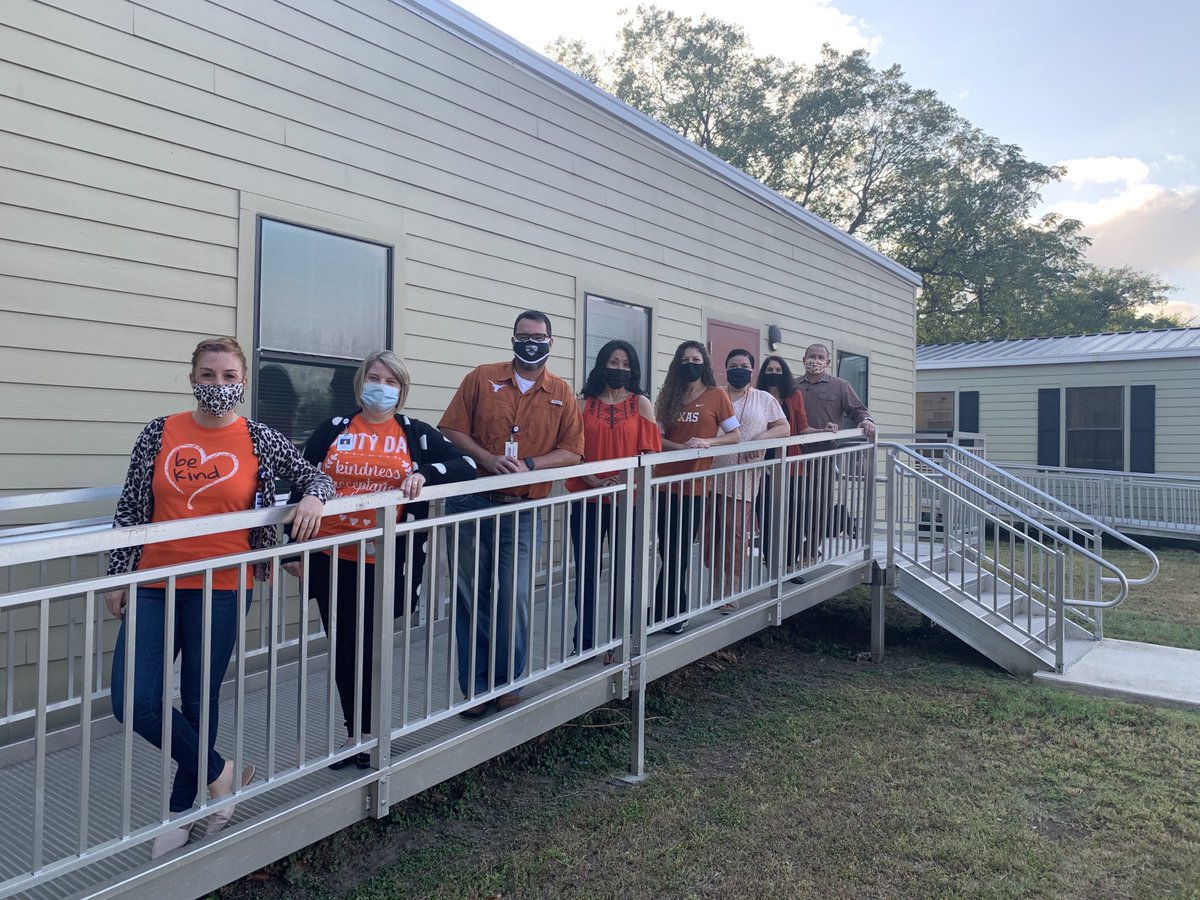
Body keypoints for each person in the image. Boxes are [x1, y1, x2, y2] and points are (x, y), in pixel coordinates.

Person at [103, 337, 334, 858]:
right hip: (153, 583)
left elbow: (315, 476)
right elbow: (131, 508)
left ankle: (185, 811)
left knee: (198, 697)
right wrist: (118, 577)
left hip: (223, 585)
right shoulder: (158, 433)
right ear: (192, 379)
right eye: (208, 375)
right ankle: (221, 772)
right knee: (133, 702)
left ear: (244, 382)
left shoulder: (260, 438)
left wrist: (314, 497)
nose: (218, 386)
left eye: (229, 376)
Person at [284, 351, 475, 769]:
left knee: (367, 645)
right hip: (329, 555)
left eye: (391, 381)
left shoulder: (415, 434)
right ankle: (357, 734)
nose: (381, 386)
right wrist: (291, 547)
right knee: (345, 647)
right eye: (374, 377)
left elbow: (468, 465)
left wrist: (426, 475)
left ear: (401, 390)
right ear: (360, 382)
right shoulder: (335, 428)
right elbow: (300, 479)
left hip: (385, 560)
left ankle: (371, 733)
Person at [439, 311, 584, 717]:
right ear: (513, 339)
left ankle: (508, 683)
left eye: (538, 337)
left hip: (521, 508)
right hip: (471, 504)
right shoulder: (481, 378)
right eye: (523, 336)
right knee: (471, 596)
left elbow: (573, 449)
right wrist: (487, 457)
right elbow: (452, 429)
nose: (531, 342)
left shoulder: (561, 392)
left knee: (515, 594)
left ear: (550, 343)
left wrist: (533, 465)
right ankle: (475, 687)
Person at [565, 340, 661, 663]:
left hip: (626, 500)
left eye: (625, 364)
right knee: (587, 571)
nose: (619, 369)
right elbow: (570, 451)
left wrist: (626, 480)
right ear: (602, 364)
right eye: (613, 362)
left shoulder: (641, 404)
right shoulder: (582, 404)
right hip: (588, 498)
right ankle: (586, 642)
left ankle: (622, 639)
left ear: (632, 369)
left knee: (625, 571)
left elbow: (649, 453)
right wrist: (592, 478)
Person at [653, 341, 741, 633]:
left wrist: (707, 443)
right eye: (685, 359)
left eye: (696, 358)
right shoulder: (669, 396)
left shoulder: (717, 396)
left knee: (679, 549)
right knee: (667, 549)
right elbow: (658, 438)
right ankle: (665, 606)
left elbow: (734, 435)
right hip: (664, 482)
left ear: (704, 363)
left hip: (694, 484)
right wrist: (679, 447)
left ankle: (674, 611)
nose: (690, 363)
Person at [706, 349, 788, 611]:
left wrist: (759, 440)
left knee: (735, 532)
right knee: (711, 533)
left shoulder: (764, 399)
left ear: (752, 370)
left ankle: (731, 589)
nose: (738, 369)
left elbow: (783, 427)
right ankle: (715, 585)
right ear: (725, 368)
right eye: (733, 365)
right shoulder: (715, 395)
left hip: (743, 477)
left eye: (744, 365)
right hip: (708, 474)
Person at [792, 343, 876, 565]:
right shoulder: (792, 386)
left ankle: (811, 550)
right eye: (812, 356)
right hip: (794, 455)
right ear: (804, 359)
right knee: (795, 503)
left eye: (821, 357)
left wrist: (866, 421)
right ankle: (790, 550)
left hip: (824, 454)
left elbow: (857, 410)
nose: (816, 360)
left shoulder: (840, 386)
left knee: (820, 503)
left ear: (828, 362)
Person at [757, 355, 819, 583]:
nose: (774, 373)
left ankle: (791, 565)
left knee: (793, 516)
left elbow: (802, 428)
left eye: (778, 369)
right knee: (765, 515)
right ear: (763, 373)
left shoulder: (794, 396)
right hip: (764, 466)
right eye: (769, 369)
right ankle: (772, 564)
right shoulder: (756, 396)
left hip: (791, 464)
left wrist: (825, 429)